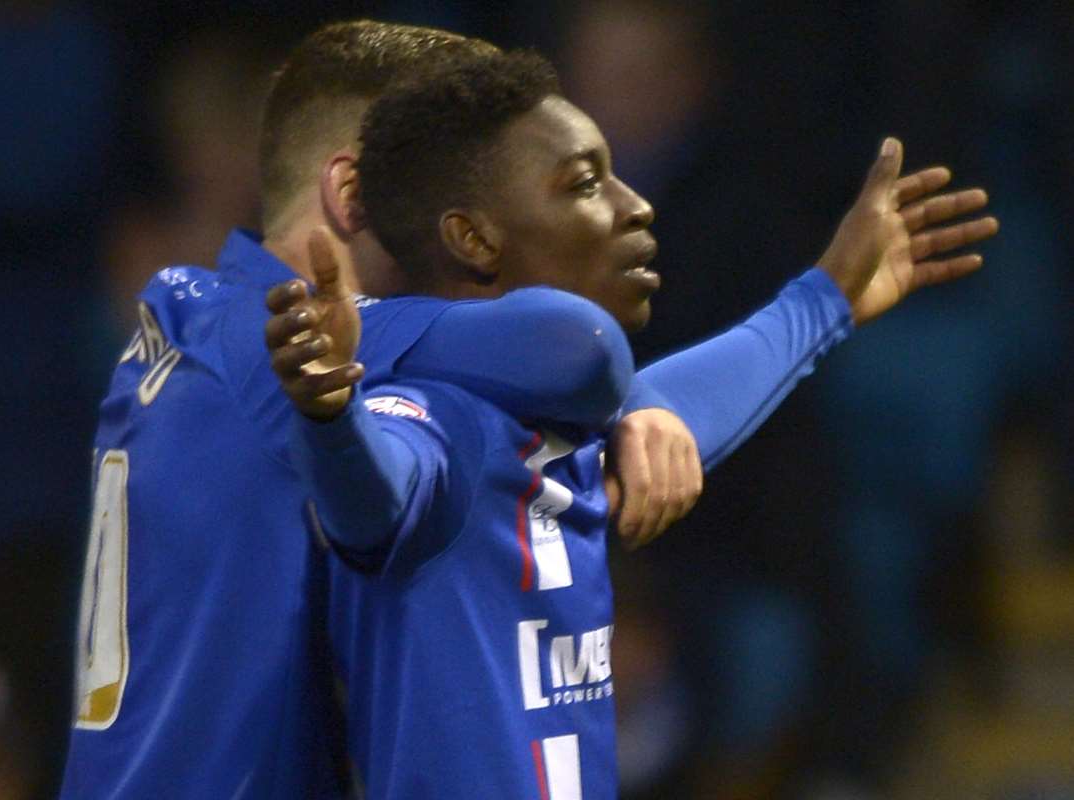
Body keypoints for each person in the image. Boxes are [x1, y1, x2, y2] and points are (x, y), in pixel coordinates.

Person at [269, 48, 996, 798]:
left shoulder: (540, 424)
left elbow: (688, 394)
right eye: (585, 183)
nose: (634, 203)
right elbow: (373, 496)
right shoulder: (427, 414)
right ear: (473, 239)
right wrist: (330, 417)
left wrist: (826, 297)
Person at [59, 21, 707, 799]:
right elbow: (575, 344)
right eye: (451, 184)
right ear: (355, 194)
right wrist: (630, 402)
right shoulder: (273, 354)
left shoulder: (189, 321)